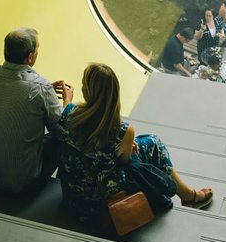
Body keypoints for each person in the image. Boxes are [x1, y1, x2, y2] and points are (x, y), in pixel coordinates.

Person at [57, 63, 212, 225]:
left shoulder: (68, 114)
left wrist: (67, 99)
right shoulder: (121, 130)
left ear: (88, 91)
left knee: (141, 145)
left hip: (73, 197)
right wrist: (127, 149)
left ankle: (186, 194)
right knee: (153, 143)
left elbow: (70, 117)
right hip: (102, 203)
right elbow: (124, 162)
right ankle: (188, 195)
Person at [0, 27, 72, 193]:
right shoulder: (41, 87)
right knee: (62, 138)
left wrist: (46, 92)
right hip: (21, 183)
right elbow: (62, 131)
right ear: (30, 56)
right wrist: (67, 102)